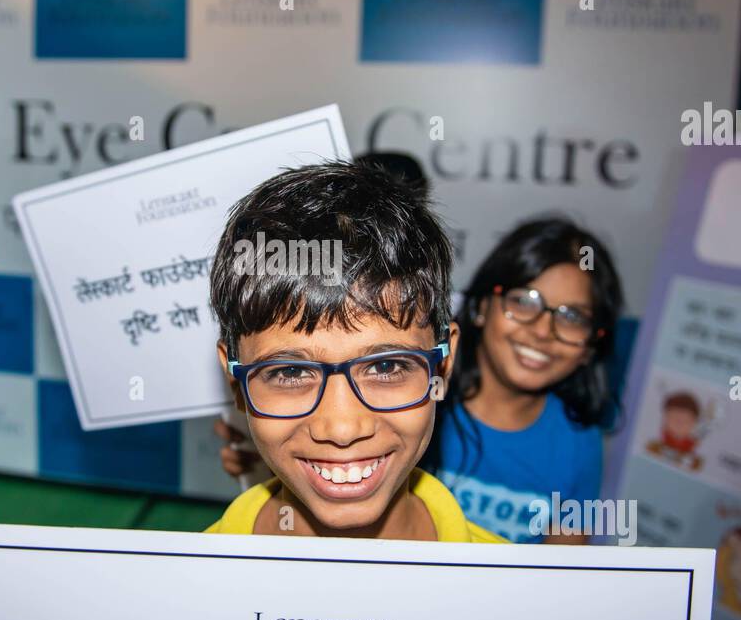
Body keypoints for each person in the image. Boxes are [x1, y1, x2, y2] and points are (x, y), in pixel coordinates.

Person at [204, 160, 502, 542]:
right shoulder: (178, 594)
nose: (342, 429)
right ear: (235, 380)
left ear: (442, 366)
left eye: (386, 366)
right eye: (290, 373)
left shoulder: (516, 591)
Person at [418, 218, 624, 543]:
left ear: (590, 347)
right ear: (483, 306)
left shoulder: (581, 442)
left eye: (572, 317)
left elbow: (564, 571)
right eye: (524, 301)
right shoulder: (419, 402)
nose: (542, 331)